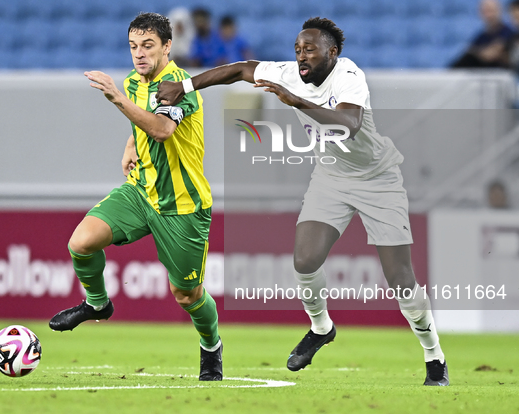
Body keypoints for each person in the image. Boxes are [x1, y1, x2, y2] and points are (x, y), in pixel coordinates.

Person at [157, 17, 449, 386]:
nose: (301, 57)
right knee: (305, 259)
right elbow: (241, 70)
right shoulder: (289, 73)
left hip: (379, 179)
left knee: (400, 278)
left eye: (309, 49)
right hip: (331, 176)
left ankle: (433, 355)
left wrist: (296, 100)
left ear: (333, 52)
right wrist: (185, 85)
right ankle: (321, 327)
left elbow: (350, 123)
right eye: (297, 50)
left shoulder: (349, 76)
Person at [48, 12, 222, 381]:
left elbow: (160, 128)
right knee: (81, 243)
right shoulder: (133, 82)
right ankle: (97, 304)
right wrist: (130, 142)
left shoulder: (180, 85)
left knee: (186, 294)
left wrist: (116, 99)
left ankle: (211, 346)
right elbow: (142, 122)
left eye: (147, 46)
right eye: (133, 47)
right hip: (141, 189)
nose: (138, 54)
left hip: (183, 205)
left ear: (167, 47)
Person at [452, 0, 514, 69]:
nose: (488, 15)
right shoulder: (481, 37)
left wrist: (478, 52)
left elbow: (490, 54)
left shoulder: (507, 32)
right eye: (485, 11)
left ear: (499, 11)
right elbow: (470, 50)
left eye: (491, 10)